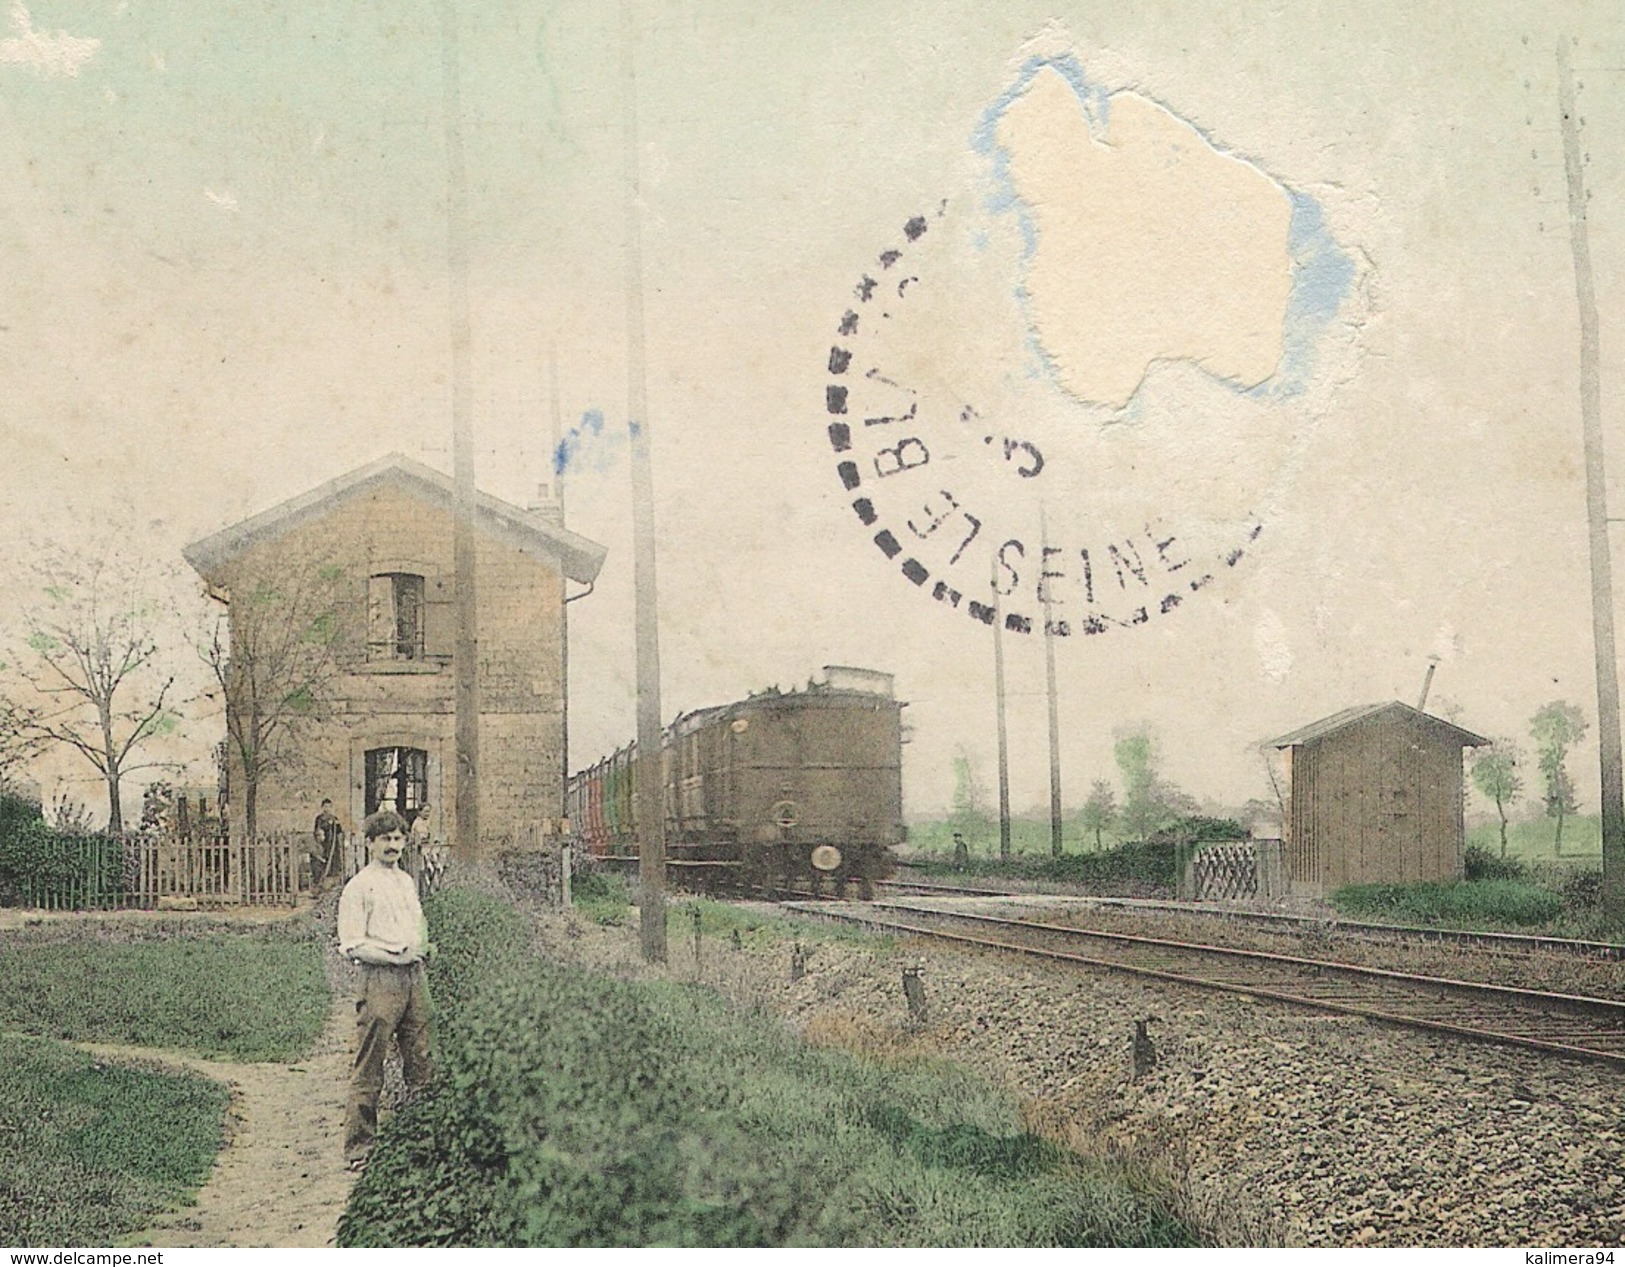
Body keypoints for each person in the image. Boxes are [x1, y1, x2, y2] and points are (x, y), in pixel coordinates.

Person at [337, 810, 433, 1170]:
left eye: (397, 839)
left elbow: (417, 924)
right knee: (371, 1063)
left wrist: (421, 947)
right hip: (380, 979)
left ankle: (420, 1138)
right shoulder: (359, 887)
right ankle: (359, 1149)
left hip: (414, 977)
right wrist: (393, 956)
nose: (392, 846)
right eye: (385, 839)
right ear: (370, 843)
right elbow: (352, 944)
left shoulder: (407, 882)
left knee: (422, 1058)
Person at [310, 799, 345, 893]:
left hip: (334, 845)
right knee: (323, 863)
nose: (327, 809)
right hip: (324, 844)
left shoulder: (334, 819)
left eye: (329, 807)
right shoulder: (320, 819)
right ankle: (320, 884)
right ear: (322, 807)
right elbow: (317, 831)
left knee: (334, 864)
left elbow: (339, 832)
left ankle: (332, 885)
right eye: (325, 806)